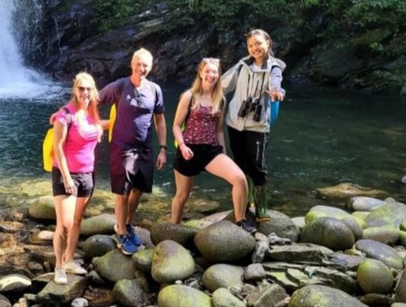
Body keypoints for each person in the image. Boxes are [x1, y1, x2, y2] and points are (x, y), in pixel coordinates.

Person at [171, 58, 256, 233]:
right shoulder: (189, 96)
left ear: (219, 75)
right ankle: (174, 228)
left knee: (239, 179)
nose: (211, 75)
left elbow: (218, 131)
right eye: (208, 71)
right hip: (189, 149)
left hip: (211, 150)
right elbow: (176, 126)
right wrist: (182, 146)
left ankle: (241, 220)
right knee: (182, 196)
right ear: (201, 73)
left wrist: (223, 153)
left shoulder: (221, 99)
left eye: (215, 72)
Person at [99, 48, 167, 255]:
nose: (142, 68)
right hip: (122, 146)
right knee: (123, 191)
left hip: (145, 148)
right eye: (139, 64)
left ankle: (127, 224)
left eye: (146, 65)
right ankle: (120, 233)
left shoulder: (155, 89)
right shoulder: (119, 86)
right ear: (132, 64)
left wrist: (163, 148)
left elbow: (160, 121)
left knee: (138, 190)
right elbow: (92, 100)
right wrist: (75, 116)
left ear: (151, 67)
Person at [221, 29, 286, 222]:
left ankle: (261, 210)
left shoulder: (274, 68)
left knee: (258, 167)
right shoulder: (242, 65)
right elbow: (223, 84)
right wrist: (199, 92)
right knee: (240, 165)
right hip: (234, 122)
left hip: (257, 126)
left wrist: (276, 93)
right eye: (251, 45)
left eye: (258, 43)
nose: (255, 48)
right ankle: (245, 202)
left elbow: (277, 85)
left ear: (268, 43)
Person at [50, 72, 103, 285]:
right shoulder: (65, 115)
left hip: (88, 174)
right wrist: (67, 177)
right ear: (75, 90)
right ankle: (59, 266)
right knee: (64, 225)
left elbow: (100, 125)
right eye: (81, 89)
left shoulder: (92, 112)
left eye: (89, 89)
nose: (85, 93)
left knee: (77, 221)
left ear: (94, 91)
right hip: (66, 175)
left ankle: (70, 259)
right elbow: (58, 147)